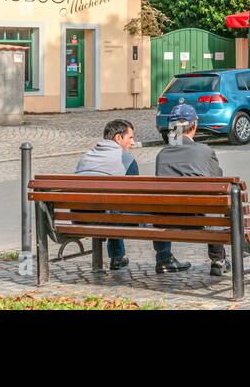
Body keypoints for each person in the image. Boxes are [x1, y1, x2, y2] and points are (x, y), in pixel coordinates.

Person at [154, 104, 227, 276]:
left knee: (161, 208)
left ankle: (163, 258)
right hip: (199, 218)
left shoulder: (162, 154)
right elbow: (218, 184)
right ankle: (218, 259)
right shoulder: (205, 151)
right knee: (215, 206)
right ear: (194, 126)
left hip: (167, 218)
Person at [74, 118, 139, 270]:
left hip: (79, 219)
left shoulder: (86, 156)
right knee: (116, 207)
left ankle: (117, 256)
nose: (133, 142)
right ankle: (117, 256)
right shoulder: (126, 158)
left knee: (111, 206)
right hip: (109, 219)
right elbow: (135, 193)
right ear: (118, 138)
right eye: (130, 137)